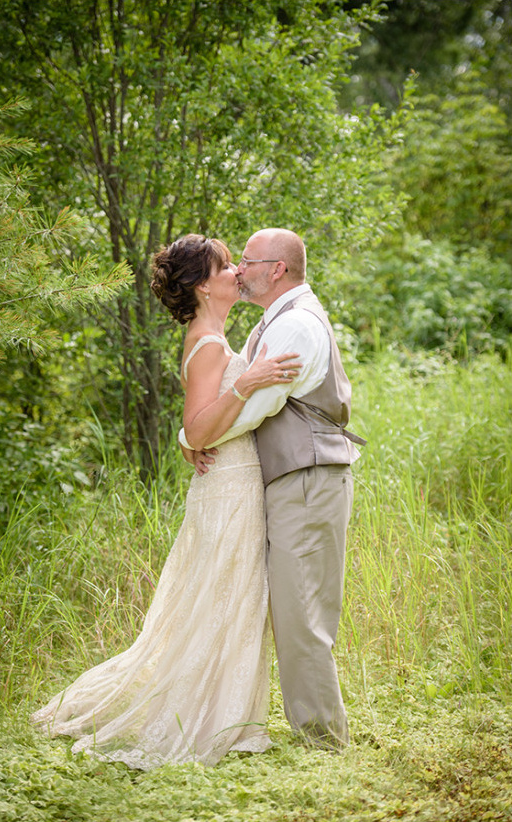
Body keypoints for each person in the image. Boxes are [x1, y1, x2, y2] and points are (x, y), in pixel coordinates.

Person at [31, 234, 302, 771]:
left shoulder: (214, 337)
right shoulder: (207, 345)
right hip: (228, 488)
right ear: (205, 284)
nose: (237, 273)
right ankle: (206, 717)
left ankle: (227, 711)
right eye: (228, 267)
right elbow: (198, 429)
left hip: (233, 481)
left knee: (225, 597)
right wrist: (244, 384)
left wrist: (215, 416)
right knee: (221, 596)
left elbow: (198, 432)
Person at [185, 228, 365, 750]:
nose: (239, 269)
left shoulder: (298, 326)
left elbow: (258, 407)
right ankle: (314, 731)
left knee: (301, 612)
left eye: (247, 261)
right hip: (290, 478)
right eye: (235, 263)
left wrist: (192, 435)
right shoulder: (275, 321)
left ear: (277, 269)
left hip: (307, 477)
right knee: (292, 607)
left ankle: (324, 742)